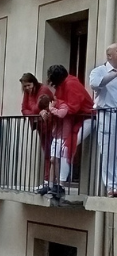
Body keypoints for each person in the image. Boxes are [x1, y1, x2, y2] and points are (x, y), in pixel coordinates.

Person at [43, 65, 93, 195]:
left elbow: (72, 107)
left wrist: (54, 110)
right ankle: (55, 184)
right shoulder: (65, 84)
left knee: (67, 147)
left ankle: (61, 184)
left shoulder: (70, 84)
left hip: (86, 119)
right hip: (73, 121)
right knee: (60, 151)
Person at [90, 45, 117, 196]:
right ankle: (112, 186)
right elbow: (95, 84)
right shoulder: (99, 71)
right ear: (109, 56)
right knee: (108, 151)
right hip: (107, 114)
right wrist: (114, 74)